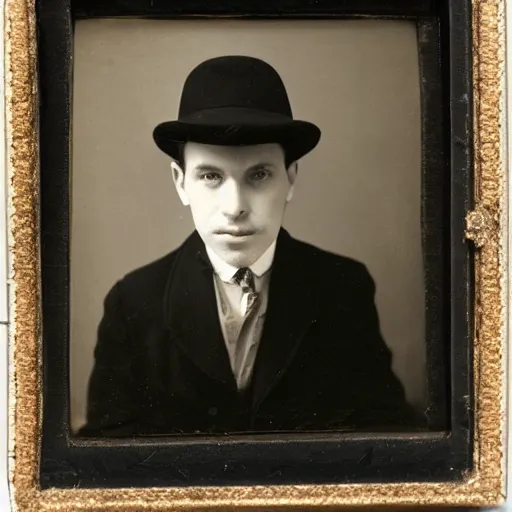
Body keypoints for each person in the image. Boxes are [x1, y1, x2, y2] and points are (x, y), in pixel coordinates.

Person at [79, 55, 424, 437]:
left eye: (259, 174)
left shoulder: (343, 286)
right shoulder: (132, 303)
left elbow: (385, 434)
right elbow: (105, 457)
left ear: (290, 178)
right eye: (210, 176)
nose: (236, 206)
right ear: (180, 183)